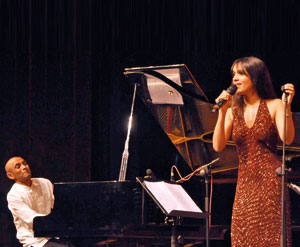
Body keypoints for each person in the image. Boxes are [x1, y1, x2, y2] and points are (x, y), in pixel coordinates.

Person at [212, 56, 295, 247]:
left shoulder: (275, 104)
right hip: (245, 184)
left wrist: (288, 106)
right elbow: (218, 146)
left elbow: (287, 138)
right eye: (233, 74)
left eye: (241, 73)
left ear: (255, 77)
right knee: (243, 237)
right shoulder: (233, 110)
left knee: (272, 238)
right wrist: (223, 111)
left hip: (271, 182)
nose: (235, 79)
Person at [5, 156, 71, 247]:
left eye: (24, 163)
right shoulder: (13, 195)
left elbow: (59, 205)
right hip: (34, 240)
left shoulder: (44, 182)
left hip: (55, 234)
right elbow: (33, 219)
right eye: (18, 166)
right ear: (10, 175)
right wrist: (56, 223)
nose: (24, 167)